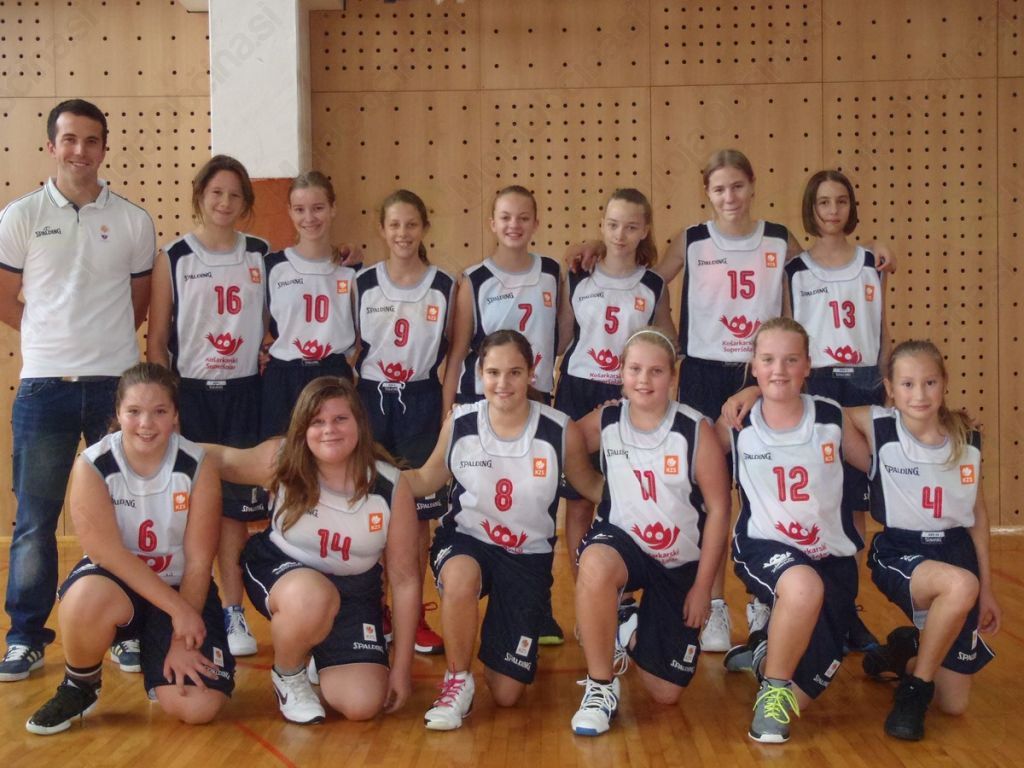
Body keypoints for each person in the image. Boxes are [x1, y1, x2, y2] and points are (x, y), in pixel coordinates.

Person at [0, 99, 155, 681]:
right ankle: (25, 636)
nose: (80, 151)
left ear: (104, 147)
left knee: (124, 514)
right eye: (69, 139)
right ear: (51, 146)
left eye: (91, 140)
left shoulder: (134, 221)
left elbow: (138, 304)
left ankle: (125, 628)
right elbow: (6, 297)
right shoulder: (20, 216)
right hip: (45, 388)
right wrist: (52, 339)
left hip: (117, 389)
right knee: (35, 520)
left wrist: (100, 346)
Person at [405, 330, 603, 731]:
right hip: (467, 539)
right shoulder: (461, 422)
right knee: (460, 578)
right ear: (480, 373)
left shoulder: (559, 429)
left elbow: (589, 485)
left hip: (526, 555)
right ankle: (457, 680)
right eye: (493, 372)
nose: (503, 383)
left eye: (514, 372)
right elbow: (426, 478)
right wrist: (366, 478)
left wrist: (650, 496)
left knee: (507, 694)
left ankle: (503, 646)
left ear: (531, 373)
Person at [25, 363, 234, 734]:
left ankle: (158, 655)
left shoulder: (197, 466)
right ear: (118, 413)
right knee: (85, 597)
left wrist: (181, 639)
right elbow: (106, 554)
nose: (146, 424)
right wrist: (180, 614)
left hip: (180, 585)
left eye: (160, 411)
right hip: (118, 585)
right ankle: (80, 684)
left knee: (198, 707)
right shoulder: (93, 464)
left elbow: (200, 562)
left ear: (175, 415)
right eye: (134, 411)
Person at [206, 376, 421, 724]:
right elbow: (224, 459)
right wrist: (157, 442)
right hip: (284, 573)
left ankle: (316, 648)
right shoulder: (284, 460)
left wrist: (401, 668)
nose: (329, 430)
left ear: (359, 423)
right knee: (313, 598)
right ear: (303, 429)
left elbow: (406, 580)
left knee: (362, 704)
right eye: (317, 421)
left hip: (354, 592)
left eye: (340, 419)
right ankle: (288, 675)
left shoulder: (389, 486)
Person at [571, 328, 730, 736]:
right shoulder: (607, 419)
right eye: (635, 369)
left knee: (665, 692)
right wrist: (593, 486)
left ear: (673, 377)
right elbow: (563, 440)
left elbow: (719, 510)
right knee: (594, 563)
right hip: (623, 545)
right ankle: (600, 686)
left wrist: (704, 588)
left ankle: (628, 629)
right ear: (621, 373)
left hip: (678, 560)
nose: (644, 379)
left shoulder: (695, 429)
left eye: (656, 371)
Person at [716, 317, 865, 743]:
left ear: (808, 365)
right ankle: (773, 688)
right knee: (801, 587)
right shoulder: (736, 423)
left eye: (790, 360)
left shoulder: (832, 417)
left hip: (832, 559)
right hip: (765, 547)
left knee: (808, 688)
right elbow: (686, 442)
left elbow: (875, 463)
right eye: (768, 360)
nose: (779, 369)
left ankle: (766, 656)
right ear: (754, 366)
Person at [843, 340, 999, 741]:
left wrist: (987, 590)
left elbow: (978, 517)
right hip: (900, 551)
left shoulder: (967, 438)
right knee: (959, 585)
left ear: (944, 383)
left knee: (954, 704)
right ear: (890, 389)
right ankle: (914, 691)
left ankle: (907, 650)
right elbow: (826, 414)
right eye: (907, 384)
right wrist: (752, 392)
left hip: (955, 551)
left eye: (929, 382)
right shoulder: (880, 426)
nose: (919, 394)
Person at [147, 155, 269, 658]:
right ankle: (187, 606)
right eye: (216, 192)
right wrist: (168, 406)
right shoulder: (174, 256)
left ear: (246, 203)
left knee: (236, 511)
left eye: (235, 195)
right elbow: (157, 341)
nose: (225, 202)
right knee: (193, 507)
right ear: (200, 195)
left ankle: (234, 609)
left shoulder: (261, 254)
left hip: (245, 392)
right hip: (192, 394)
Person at [442, 185, 571, 644]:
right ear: (492, 223)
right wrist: (447, 409)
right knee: (480, 497)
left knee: (537, 503)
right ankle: (471, 580)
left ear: (536, 222)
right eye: (505, 217)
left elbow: (563, 337)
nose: (514, 225)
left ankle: (538, 606)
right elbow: (459, 350)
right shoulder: (474, 279)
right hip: (486, 401)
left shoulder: (552, 272)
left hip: (534, 397)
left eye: (523, 217)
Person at [787, 169, 889, 651]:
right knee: (817, 502)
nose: (833, 210)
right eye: (824, 202)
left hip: (864, 384)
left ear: (852, 207)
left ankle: (848, 612)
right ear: (812, 208)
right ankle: (809, 612)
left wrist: (887, 383)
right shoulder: (796, 269)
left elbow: (882, 330)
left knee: (855, 508)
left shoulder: (872, 262)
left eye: (841, 201)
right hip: (818, 383)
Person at [556, 189, 675, 595]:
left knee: (628, 498)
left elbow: (667, 343)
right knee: (579, 501)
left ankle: (621, 592)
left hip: (631, 396)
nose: (620, 235)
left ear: (645, 230)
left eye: (630, 227)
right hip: (578, 390)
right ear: (602, 226)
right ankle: (585, 597)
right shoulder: (577, 275)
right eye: (612, 225)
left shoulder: (653, 284)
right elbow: (563, 338)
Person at [354, 189, 455, 655]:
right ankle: (375, 609)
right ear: (381, 228)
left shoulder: (445, 285)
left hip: (421, 398)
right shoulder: (361, 282)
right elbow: (348, 349)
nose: (402, 233)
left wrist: (447, 410)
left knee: (417, 517)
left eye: (411, 224)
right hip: (371, 400)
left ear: (424, 228)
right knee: (369, 505)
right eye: (394, 224)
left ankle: (414, 616)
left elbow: (456, 352)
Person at [260, 171, 358, 439]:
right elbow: (256, 322)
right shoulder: (272, 266)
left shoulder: (352, 269)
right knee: (280, 455)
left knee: (332, 451)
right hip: (284, 376)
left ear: (333, 208)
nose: (309, 218)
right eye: (300, 209)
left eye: (318, 208)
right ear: (289, 212)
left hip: (333, 374)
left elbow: (363, 332)